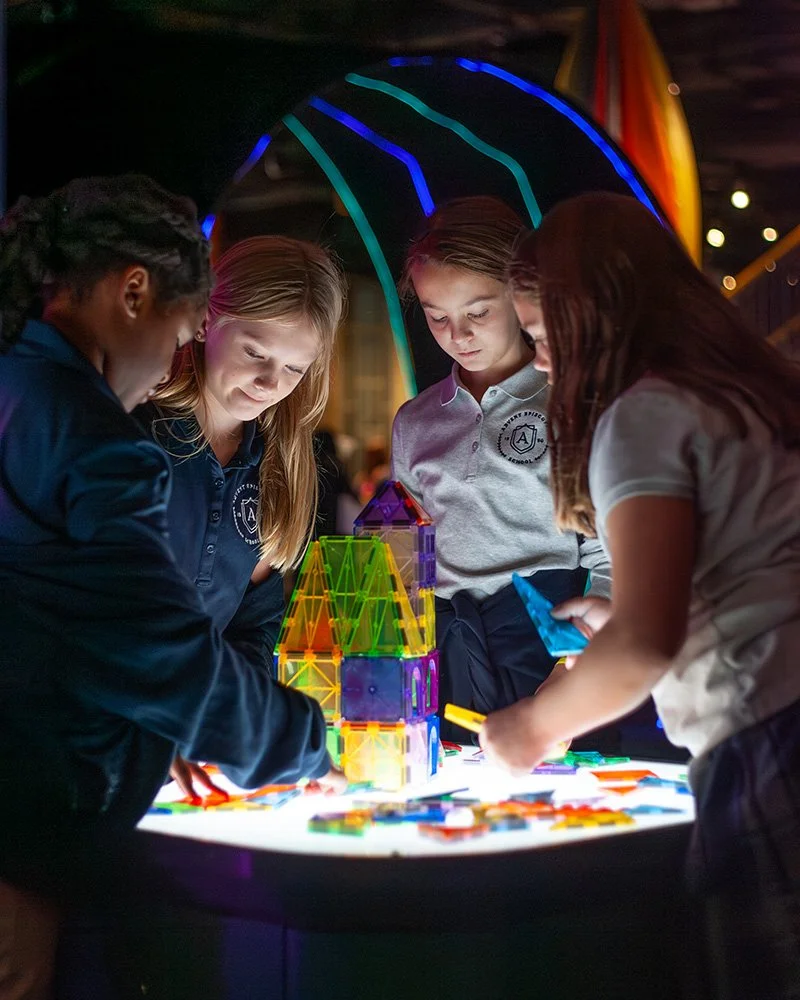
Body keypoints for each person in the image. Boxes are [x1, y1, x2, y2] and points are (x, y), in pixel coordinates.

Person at [0, 176, 332, 999]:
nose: (164, 368)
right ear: (137, 293)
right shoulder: (103, 434)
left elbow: (223, 633)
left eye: (293, 367)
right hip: (38, 812)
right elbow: (150, 645)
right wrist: (300, 740)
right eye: (188, 333)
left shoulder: (23, 385)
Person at [482, 191, 800, 997]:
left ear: (597, 317)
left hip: (769, 738)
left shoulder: (644, 414)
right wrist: (623, 619)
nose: (542, 361)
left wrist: (527, 728)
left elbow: (645, 645)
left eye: (547, 336)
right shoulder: (746, 390)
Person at [391, 196, 611, 741]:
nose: (457, 334)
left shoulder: (572, 401)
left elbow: (610, 554)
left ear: (522, 293)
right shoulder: (415, 421)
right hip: (449, 649)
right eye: (436, 315)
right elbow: (402, 553)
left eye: (478, 312)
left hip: (555, 640)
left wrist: (575, 670)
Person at [136, 236, 347, 798]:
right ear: (206, 320)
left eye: (295, 368)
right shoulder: (133, 434)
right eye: (256, 352)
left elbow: (250, 629)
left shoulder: (277, 469)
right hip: (113, 729)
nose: (271, 384)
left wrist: (230, 733)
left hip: (190, 751)